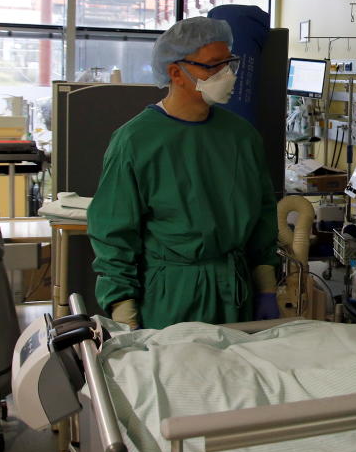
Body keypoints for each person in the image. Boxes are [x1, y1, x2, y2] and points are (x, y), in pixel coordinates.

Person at [88, 17, 280, 330]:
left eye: (229, 63)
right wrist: (124, 311)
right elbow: (113, 233)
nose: (227, 74)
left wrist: (267, 286)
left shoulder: (242, 136)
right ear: (176, 72)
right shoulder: (135, 141)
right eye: (213, 66)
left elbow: (262, 216)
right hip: (171, 295)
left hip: (235, 292)